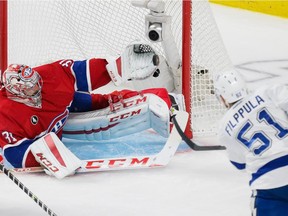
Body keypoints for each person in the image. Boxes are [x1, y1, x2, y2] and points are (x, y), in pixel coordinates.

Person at [0, 42, 177, 178]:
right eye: (31, 88)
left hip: (62, 108)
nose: (38, 87)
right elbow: (14, 153)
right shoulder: (5, 114)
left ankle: (167, 100)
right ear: (17, 93)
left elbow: (83, 72)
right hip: (45, 131)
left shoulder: (50, 75)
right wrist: (41, 157)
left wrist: (118, 66)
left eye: (36, 81)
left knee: (105, 102)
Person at [214, 70, 288, 216]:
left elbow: (240, 164)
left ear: (222, 97)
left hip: (269, 184)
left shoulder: (224, 127)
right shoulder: (268, 92)